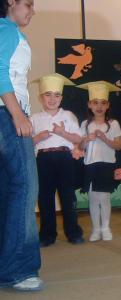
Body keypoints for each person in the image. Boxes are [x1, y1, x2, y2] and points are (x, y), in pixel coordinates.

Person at [0, 0, 44, 291]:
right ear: (11, 2)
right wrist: (18, 114)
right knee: (27, 188)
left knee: (8, 190)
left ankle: (8, 264)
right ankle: (18, 269)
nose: (32, 10)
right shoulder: (7, 29)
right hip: (7, 115)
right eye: (28, 3)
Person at [30, 73, 84, 247]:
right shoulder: (34, 118)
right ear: (40, 97)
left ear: (61, 97)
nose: (52, 99)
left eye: (56, 95)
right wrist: (38, 137)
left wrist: (63, 133)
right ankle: (47, 235)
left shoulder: (68, 116)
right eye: (48, 94)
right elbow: (28, 143)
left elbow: (78, 139)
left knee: (68, 196)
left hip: (64, 158)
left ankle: (73, 232)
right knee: (45, 197)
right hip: (43, 159)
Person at [77, 81, 121, 242]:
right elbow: (80, 146)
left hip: (106, 164)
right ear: (89, 105)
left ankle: (106, 228)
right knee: (93, 198)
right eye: (95, 103)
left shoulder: (113, 124)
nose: (99, 106)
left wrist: (104, 138)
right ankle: (96, 229)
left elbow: (118, 145)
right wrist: (86, 139)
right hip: (90, 164)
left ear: (108, 105)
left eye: (103, 103)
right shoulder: (85, 124)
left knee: (104, 198)